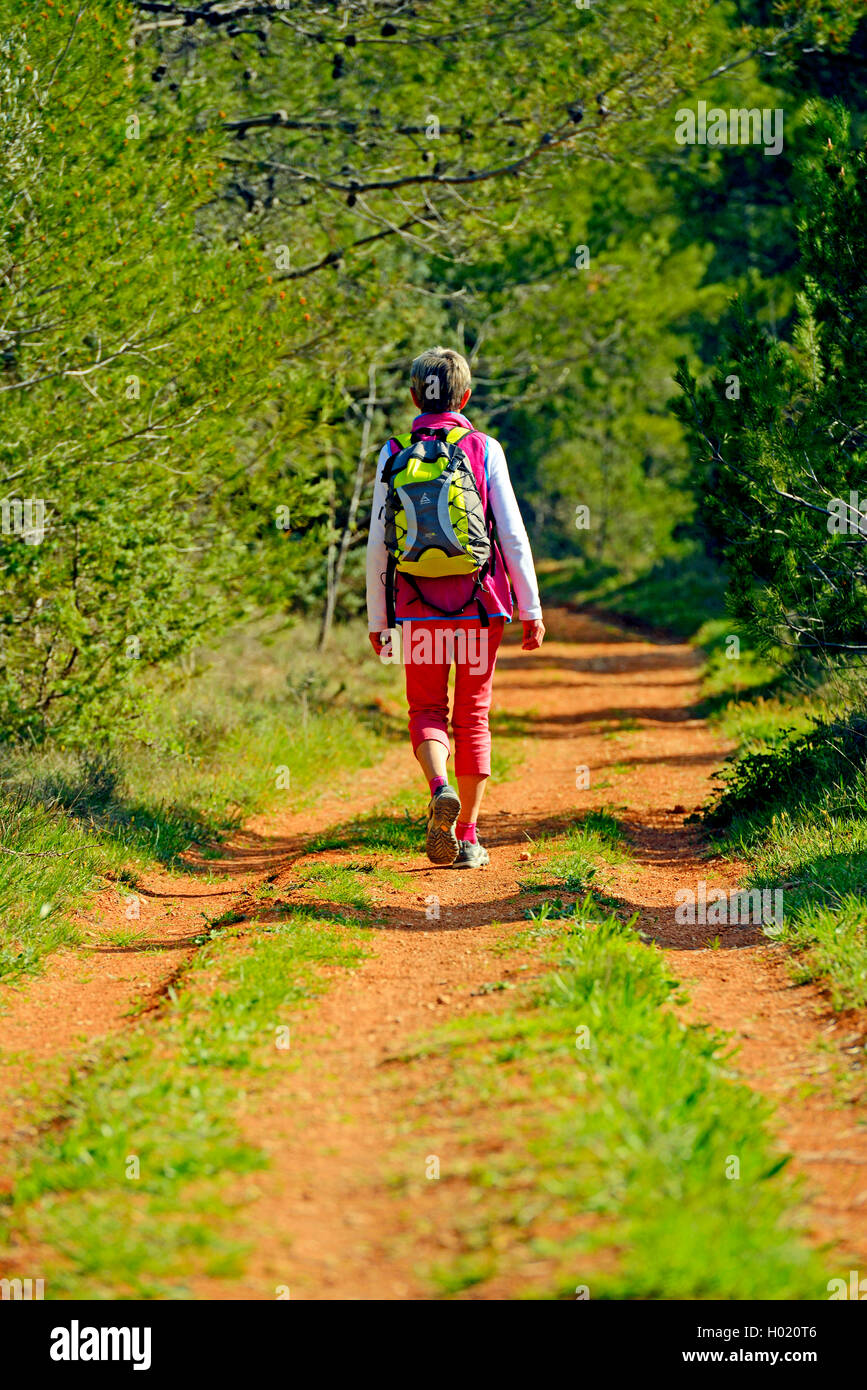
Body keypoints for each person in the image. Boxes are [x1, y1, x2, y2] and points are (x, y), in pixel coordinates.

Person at [366, 346, 545, 868]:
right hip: (479, 605)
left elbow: (379, 543)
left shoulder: (393, 452)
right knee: (473, 717)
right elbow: (511, 535)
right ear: (465, 396)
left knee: (426, 711)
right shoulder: (484, 448)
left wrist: (380, 620)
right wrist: (530, 609)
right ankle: (466, 834)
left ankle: (438, 784)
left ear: (413, 396)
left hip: (417, 606)